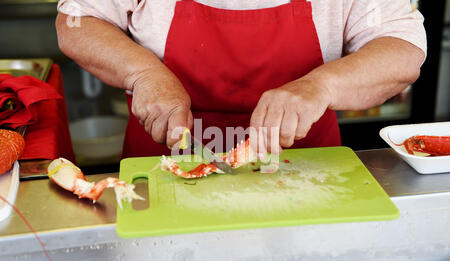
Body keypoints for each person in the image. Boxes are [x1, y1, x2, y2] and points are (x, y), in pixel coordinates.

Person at [56, 0, 426, 157]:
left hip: (306, 169)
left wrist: (321, 86)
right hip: (162, 164)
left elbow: (402, 49)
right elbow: (77, 20)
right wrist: (144, 72)